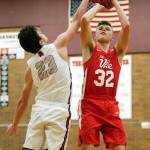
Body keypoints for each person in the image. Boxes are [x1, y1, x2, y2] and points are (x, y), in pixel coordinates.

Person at [6, 0, 89, 150]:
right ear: (41, 40)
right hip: (59, 111)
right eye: (39, 32)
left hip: (39, 110)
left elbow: (23, 101)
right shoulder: (58, 45)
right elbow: (76, 20)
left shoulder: (30, 67)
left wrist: (15, 123)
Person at [78, 0, 130, 150]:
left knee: (120, 147)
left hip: (110, 105)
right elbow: (84, 20)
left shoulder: (118, 53)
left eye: (107, 28)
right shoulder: (89, 49)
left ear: (113, 35)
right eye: (100, 27)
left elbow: (126, 26)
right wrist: (100, 6)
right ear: (94, 34)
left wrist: (114, 1)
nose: (103, 29)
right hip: (90, 105)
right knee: (87, 147)